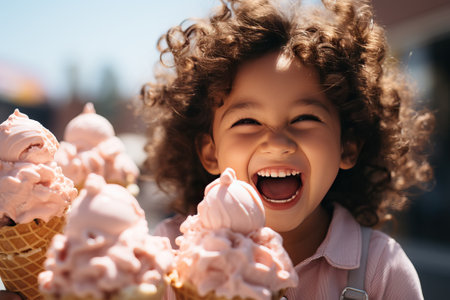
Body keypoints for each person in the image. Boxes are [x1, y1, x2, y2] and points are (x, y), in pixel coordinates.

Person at [140, 0, 434, 299]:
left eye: (305, 118)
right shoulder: (170, 255)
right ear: (210, 152)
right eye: (248, 121)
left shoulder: (380, 269)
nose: (278, 143)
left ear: (347, 146)